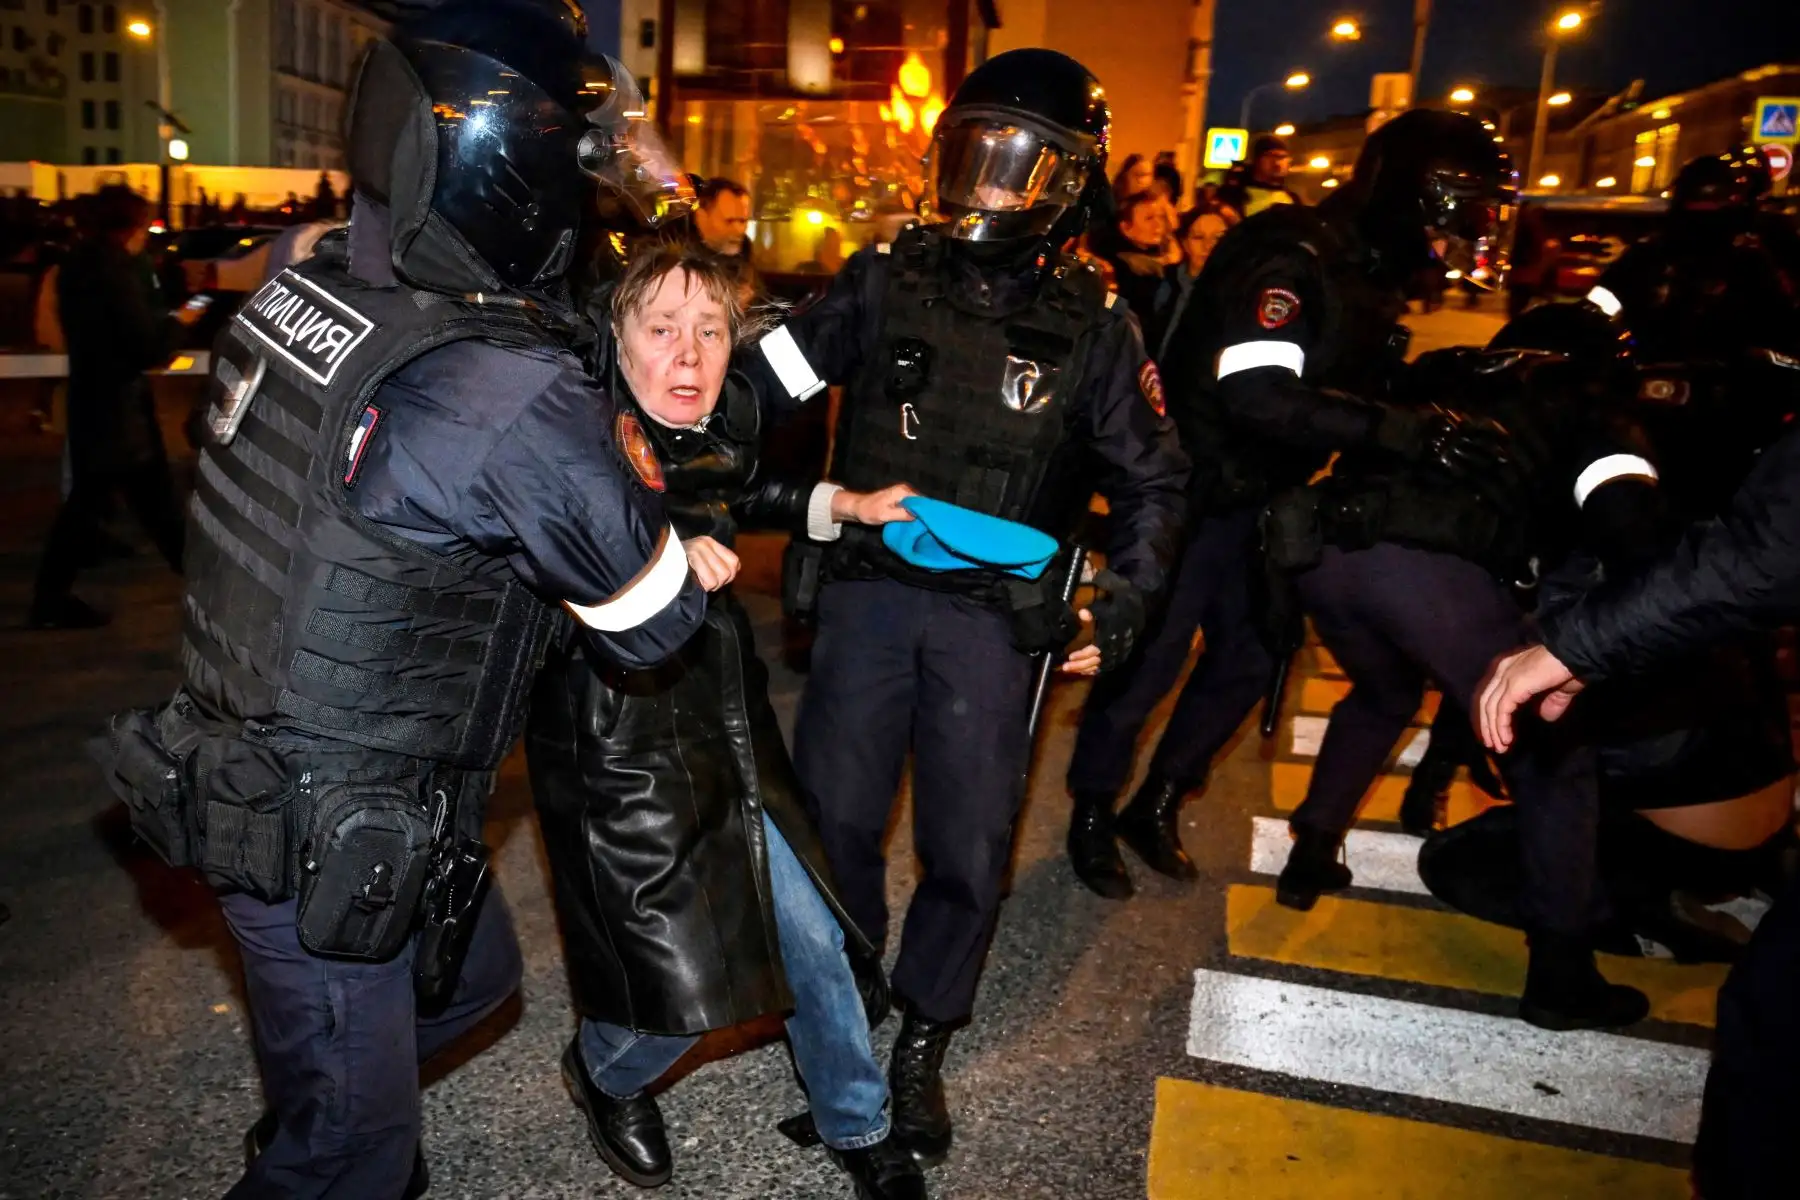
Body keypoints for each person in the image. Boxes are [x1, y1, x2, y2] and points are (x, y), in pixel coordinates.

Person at [88, 5, 708, 1197]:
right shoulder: (509, 389)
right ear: (513, 174)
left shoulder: (310, 285)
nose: (588, 206)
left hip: (269, 760)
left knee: (473, 982)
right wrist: (610, 427)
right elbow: (655, 620)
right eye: (575, 174)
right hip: (327, 824)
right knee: (358, 1161)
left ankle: (325, 1105)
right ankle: (330, 1141)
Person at [749, 48, 1188, 1166]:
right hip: (865, 601)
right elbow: (770, 381)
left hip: (994, 622)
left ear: (1065, 184)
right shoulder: (885, 277)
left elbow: (1153, 479)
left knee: (967, 844)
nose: (984, 189)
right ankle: (846, 1021)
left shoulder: (1097, 324)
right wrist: (690, 416)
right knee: (833, 825)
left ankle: (923, 1042)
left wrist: (1121, 604)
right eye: (970, 159)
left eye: (1014, 167)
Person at [527, 244, 926, 1199]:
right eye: (662, 330)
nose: (691, 355)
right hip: (612, 730)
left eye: (709, 330)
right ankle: (602, 1070)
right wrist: (665, 556)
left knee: (807, 930)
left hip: (721, 703)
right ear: (616, 343)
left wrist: (848, 504)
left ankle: (856, 1119)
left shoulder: (724, 414)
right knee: (676, 987)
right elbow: (556, 552)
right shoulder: (561, 437)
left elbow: (740, 491)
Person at [1063, 109, 1511, 902]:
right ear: (1412, 197)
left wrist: (1448, 391)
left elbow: (1342, 386)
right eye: (1450, 221)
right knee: (1149, 660)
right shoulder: (1292, 255)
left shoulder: (1359, 269)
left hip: (1263, 494)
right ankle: (1092, 812)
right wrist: (1403, 432)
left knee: (1253, 655)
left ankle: (1158, 801)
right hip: (1190, 487)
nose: (1451, 246)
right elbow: (1258, 393)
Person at [1476, 418, 1800, 1200]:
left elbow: (1763, 557)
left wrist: (1575, 648)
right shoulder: (1676, 585)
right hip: (1753, 817)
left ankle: (1642, 919)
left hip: (1714, 818)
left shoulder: (1611, 588)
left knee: (1773, 1035)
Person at [1584, 148, 1800, 520]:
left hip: (1743, 410)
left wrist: (1770, 364)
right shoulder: (1650, 255)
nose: (1703, 221)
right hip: (1649, 400)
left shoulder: (1769, 253)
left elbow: (1785, 322)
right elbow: (1593, 314)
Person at [29, 184, 199, 629]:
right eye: (143, 226)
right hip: (120, 413)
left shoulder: (75, 266)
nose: (146, 236)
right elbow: (145, 345)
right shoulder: (116, 272)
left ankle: (49, 601)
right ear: (128, 227)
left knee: (130, 507)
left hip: (97, 404)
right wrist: (179, 324)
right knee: (144, 507)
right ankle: (49, 602)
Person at [1143, 201, 1231, 361]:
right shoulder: (1164, 278)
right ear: (1185, 243)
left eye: (1218, 237)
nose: (1208, 246)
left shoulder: (1236, 290)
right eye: (1198, 238)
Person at [1102, 191, 1172, 328]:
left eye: (1161, 217)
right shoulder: (1117, 266)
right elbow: (1110, 305)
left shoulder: (1166, 260)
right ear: (1126, 227)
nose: (1158, 224)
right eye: (1149, 218)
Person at [1217, 135, 1302, 217]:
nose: (1277, 163)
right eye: (1270, 156)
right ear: (1256, 160)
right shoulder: (1234, 197)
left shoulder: (1293, 199)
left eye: (1282, 157)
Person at [694, 176, 754, 257]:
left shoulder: (747, 258)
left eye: (742, 221)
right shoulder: (681, 265)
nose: (738, 230)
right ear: (702, 217)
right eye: (729, 221)